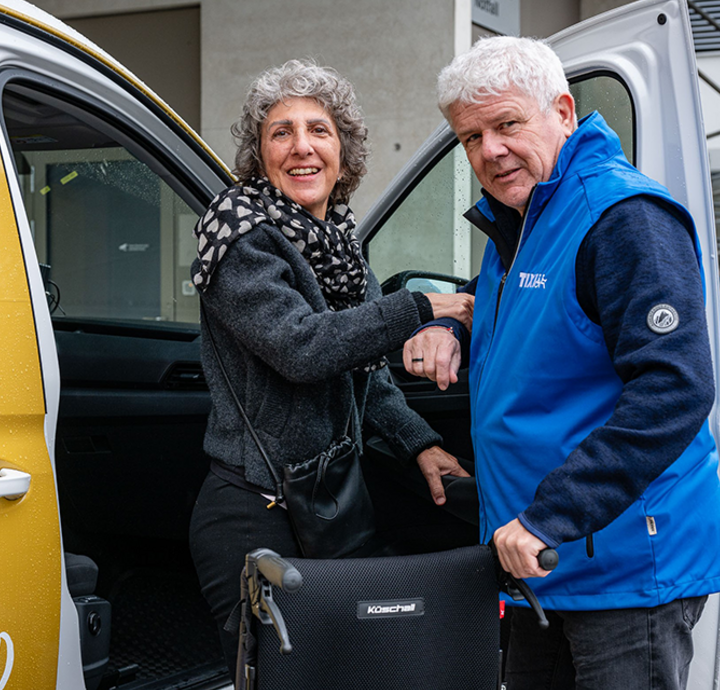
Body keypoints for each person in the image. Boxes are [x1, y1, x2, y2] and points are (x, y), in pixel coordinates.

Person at [404, 36, 720, 689]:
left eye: (506, 124)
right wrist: (451, 327)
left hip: (620, 565)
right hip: (544, 562)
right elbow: (539, 322)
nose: (489, 150)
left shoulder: (621, 217)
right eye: (470, 138)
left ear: (562, 110)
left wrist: (550, 516)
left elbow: (674, 388)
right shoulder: (520, 220)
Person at [187, 58, 473, 677]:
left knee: (345, 670)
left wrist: (419, 444)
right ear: (259, 154)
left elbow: (361, 368)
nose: (301, 147)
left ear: (344, 149)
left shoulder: (338, 242)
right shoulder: (243, 238)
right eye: (280, 132)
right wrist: (421, 306)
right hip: (253, 515)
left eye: (319, 129)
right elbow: (305, 348)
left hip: (327, 502)